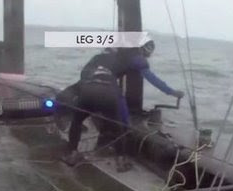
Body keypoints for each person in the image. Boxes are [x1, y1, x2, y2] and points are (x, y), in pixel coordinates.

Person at [61, 35, 185, 166]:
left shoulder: (97, 59)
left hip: (88, 91)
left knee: (77, 121)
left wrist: (65, 102)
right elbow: (151, 78)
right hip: (109, 92)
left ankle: (72, 153)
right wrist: (171, 92)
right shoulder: (134, 58)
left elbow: (81, 81)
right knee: (118, 125)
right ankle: (121, 159)